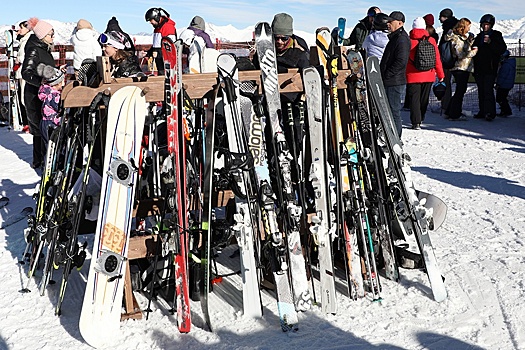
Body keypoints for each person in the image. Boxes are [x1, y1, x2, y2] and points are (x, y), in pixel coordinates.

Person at [22, 18, 63, 169]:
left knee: (42, 127)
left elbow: (43, 68)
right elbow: (26, 72)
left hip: (41, 93)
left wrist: (55, 72)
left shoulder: (43, 48)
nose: (53, 37)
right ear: (42, 35)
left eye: (53, 34)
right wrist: (42, 82)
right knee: (39, 128)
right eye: (50, 34)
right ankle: (39, 161)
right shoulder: (34, 49)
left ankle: (41, 160)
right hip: (35, 95)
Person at [406, 17, 444, 129]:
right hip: (428, 74)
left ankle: (415, 122)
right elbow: (437, 59)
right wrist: (441, 75)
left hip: (412, 75)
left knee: (414, 99)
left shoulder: (409, 41)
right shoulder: (431, 40)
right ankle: (421, 117)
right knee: (424, 98)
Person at [380, 11, 410, 137]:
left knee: (393, 111)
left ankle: (396, 139)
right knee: (390, 111)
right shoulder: (396, 37)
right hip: (392, 80)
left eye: (391, 22)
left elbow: (401, 61)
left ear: (400, 23)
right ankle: (392, 138)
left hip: (394, 82)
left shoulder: (401, 39)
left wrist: (387, 74)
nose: (388, 24)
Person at [472, 14, 507, 121]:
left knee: (488, 91)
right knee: (481, 91)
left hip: (490, 68)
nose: (485, 27)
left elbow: (501, 49)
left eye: (487, 25)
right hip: (479, 68)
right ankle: (482, 111)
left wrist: (491, 43)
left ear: (491, 25)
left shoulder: (496, 35)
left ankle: (490, 113)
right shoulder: (479, 36)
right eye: (483, 25)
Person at [444, 18, 478, 120]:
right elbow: (460, 54)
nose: (469, 29)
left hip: (463, 68)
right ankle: (454, 114)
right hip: (460, 68)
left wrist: (470, 41)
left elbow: (464, 48)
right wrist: (473, 52)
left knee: (460, 90)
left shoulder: (460, 38)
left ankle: (450, 111)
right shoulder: (456, 38)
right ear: (463, 27)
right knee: (460, 91)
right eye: (468, 27)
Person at [36, 64, 65, 150]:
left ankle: (46, 161)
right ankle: (56, 162)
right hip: (53, 123)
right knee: (55, 147)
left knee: (47, 146)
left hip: (44, 122)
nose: (63, 83)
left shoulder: (45, 91)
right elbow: (59, 108)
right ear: (57, 83)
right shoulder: (54, 95)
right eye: (62, 81)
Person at [438, 8, 459, 113]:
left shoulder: (448, 29)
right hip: (457, 60)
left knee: (445, 83)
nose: (439, 19)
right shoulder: (457, 27)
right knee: (459, 86)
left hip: (447, 60)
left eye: (441, 17)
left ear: (445, 17)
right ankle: (453, 107)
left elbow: (444, 44)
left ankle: (446, 105)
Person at [144, 7, 176, 75]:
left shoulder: (168, 27)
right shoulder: (157, 28)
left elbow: (170, 46)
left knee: (166, 76)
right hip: (159, 59)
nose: (150, 23)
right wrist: (151, 51)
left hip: (166, 60)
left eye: (151, 20)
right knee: (161, 74)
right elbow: (157, 43)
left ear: (156, 18)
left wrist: (159, 52)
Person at [15, 20, 32, 129]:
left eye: (21, 28)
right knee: (23, 97)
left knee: (24, 98)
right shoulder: (23, 40)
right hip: (22, 71)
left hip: (24, 71)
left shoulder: (28, 40)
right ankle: (27, 122)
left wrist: (18, 60)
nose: (19, 30)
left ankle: (29, 122)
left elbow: (26, 55)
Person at [495, 50, 516, 117]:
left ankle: (506, 111)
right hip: (507, 84)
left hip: (504, 85)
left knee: (500, 98)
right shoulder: (509, 64)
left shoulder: (506, 65)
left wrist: (498, 84)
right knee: (503, 98)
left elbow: (502, 76)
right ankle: (505, 111)